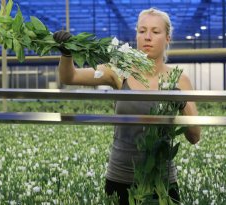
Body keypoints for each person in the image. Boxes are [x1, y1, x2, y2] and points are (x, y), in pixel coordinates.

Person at [53, 8, 201, 205]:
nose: (147, 37)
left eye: (155, 32)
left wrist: (182, 102)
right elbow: (69, 77)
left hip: (162, 184)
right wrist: (66, 54)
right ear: (136, 35)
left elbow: (194, 136)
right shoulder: (119, 70)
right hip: (120, 178)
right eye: (142, 31)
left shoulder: (180, 80)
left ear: (167, 38)